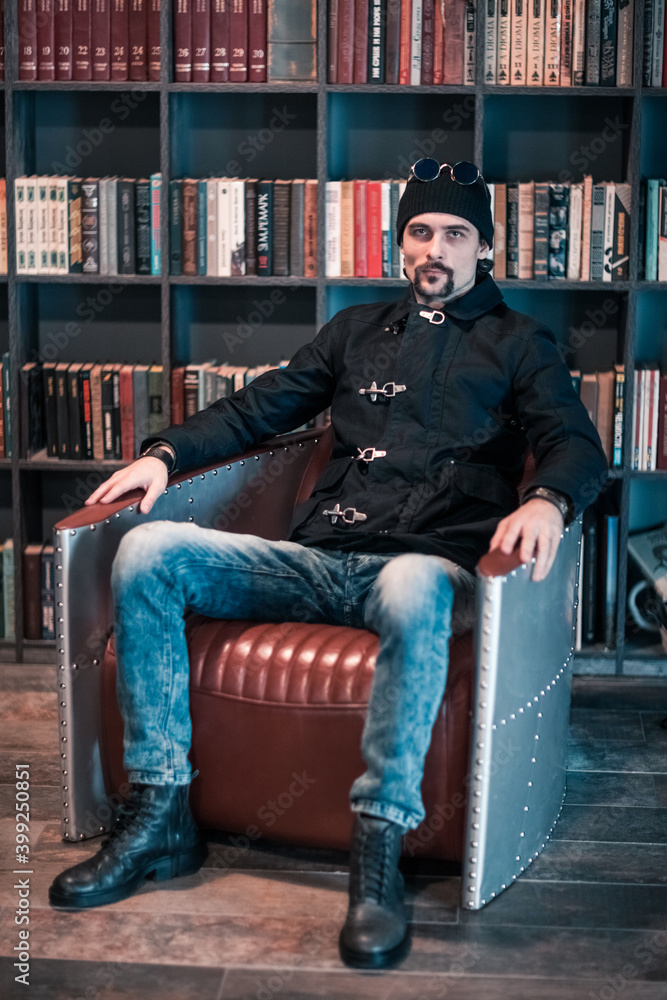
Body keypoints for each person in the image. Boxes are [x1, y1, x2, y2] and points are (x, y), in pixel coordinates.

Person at [48, 159, 609, 969]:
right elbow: (259, 408)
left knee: (411, 579)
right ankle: (160, 814)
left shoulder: (520, 342)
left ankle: (378, 849)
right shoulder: (353, 330)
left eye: (456, 234)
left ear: (484, 249)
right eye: (421, 231)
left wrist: (547, 499)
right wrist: (164, 454)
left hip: (430, 571)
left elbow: (573, 443)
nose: (436, 248)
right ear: (400, 243)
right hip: (319, 562)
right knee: (149, 550)